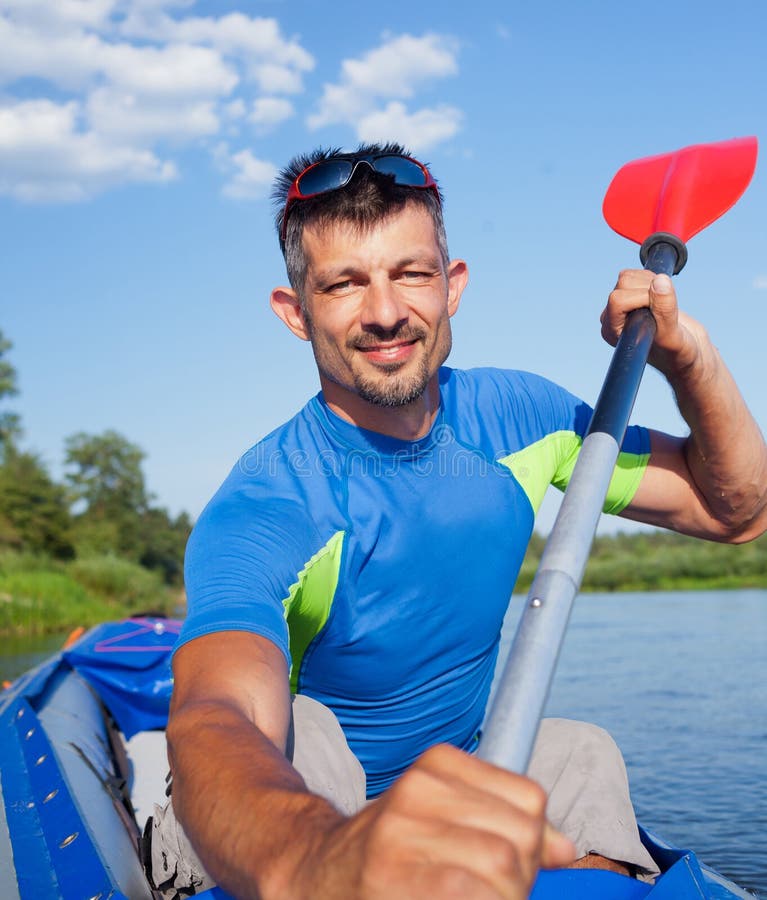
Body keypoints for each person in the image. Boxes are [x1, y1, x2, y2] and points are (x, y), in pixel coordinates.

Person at [148, 143, 767, 900]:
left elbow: (734, 510)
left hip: (459, 770)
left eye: (411, 273)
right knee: (307, 736)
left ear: (453, 284)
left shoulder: (522, 416)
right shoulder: (271, 501)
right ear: (295, 313)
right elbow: (217, 715)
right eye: (343, 284)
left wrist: (688, 360)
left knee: (581, 753)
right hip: (304, 811)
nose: (385, 313)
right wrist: (318, 857)